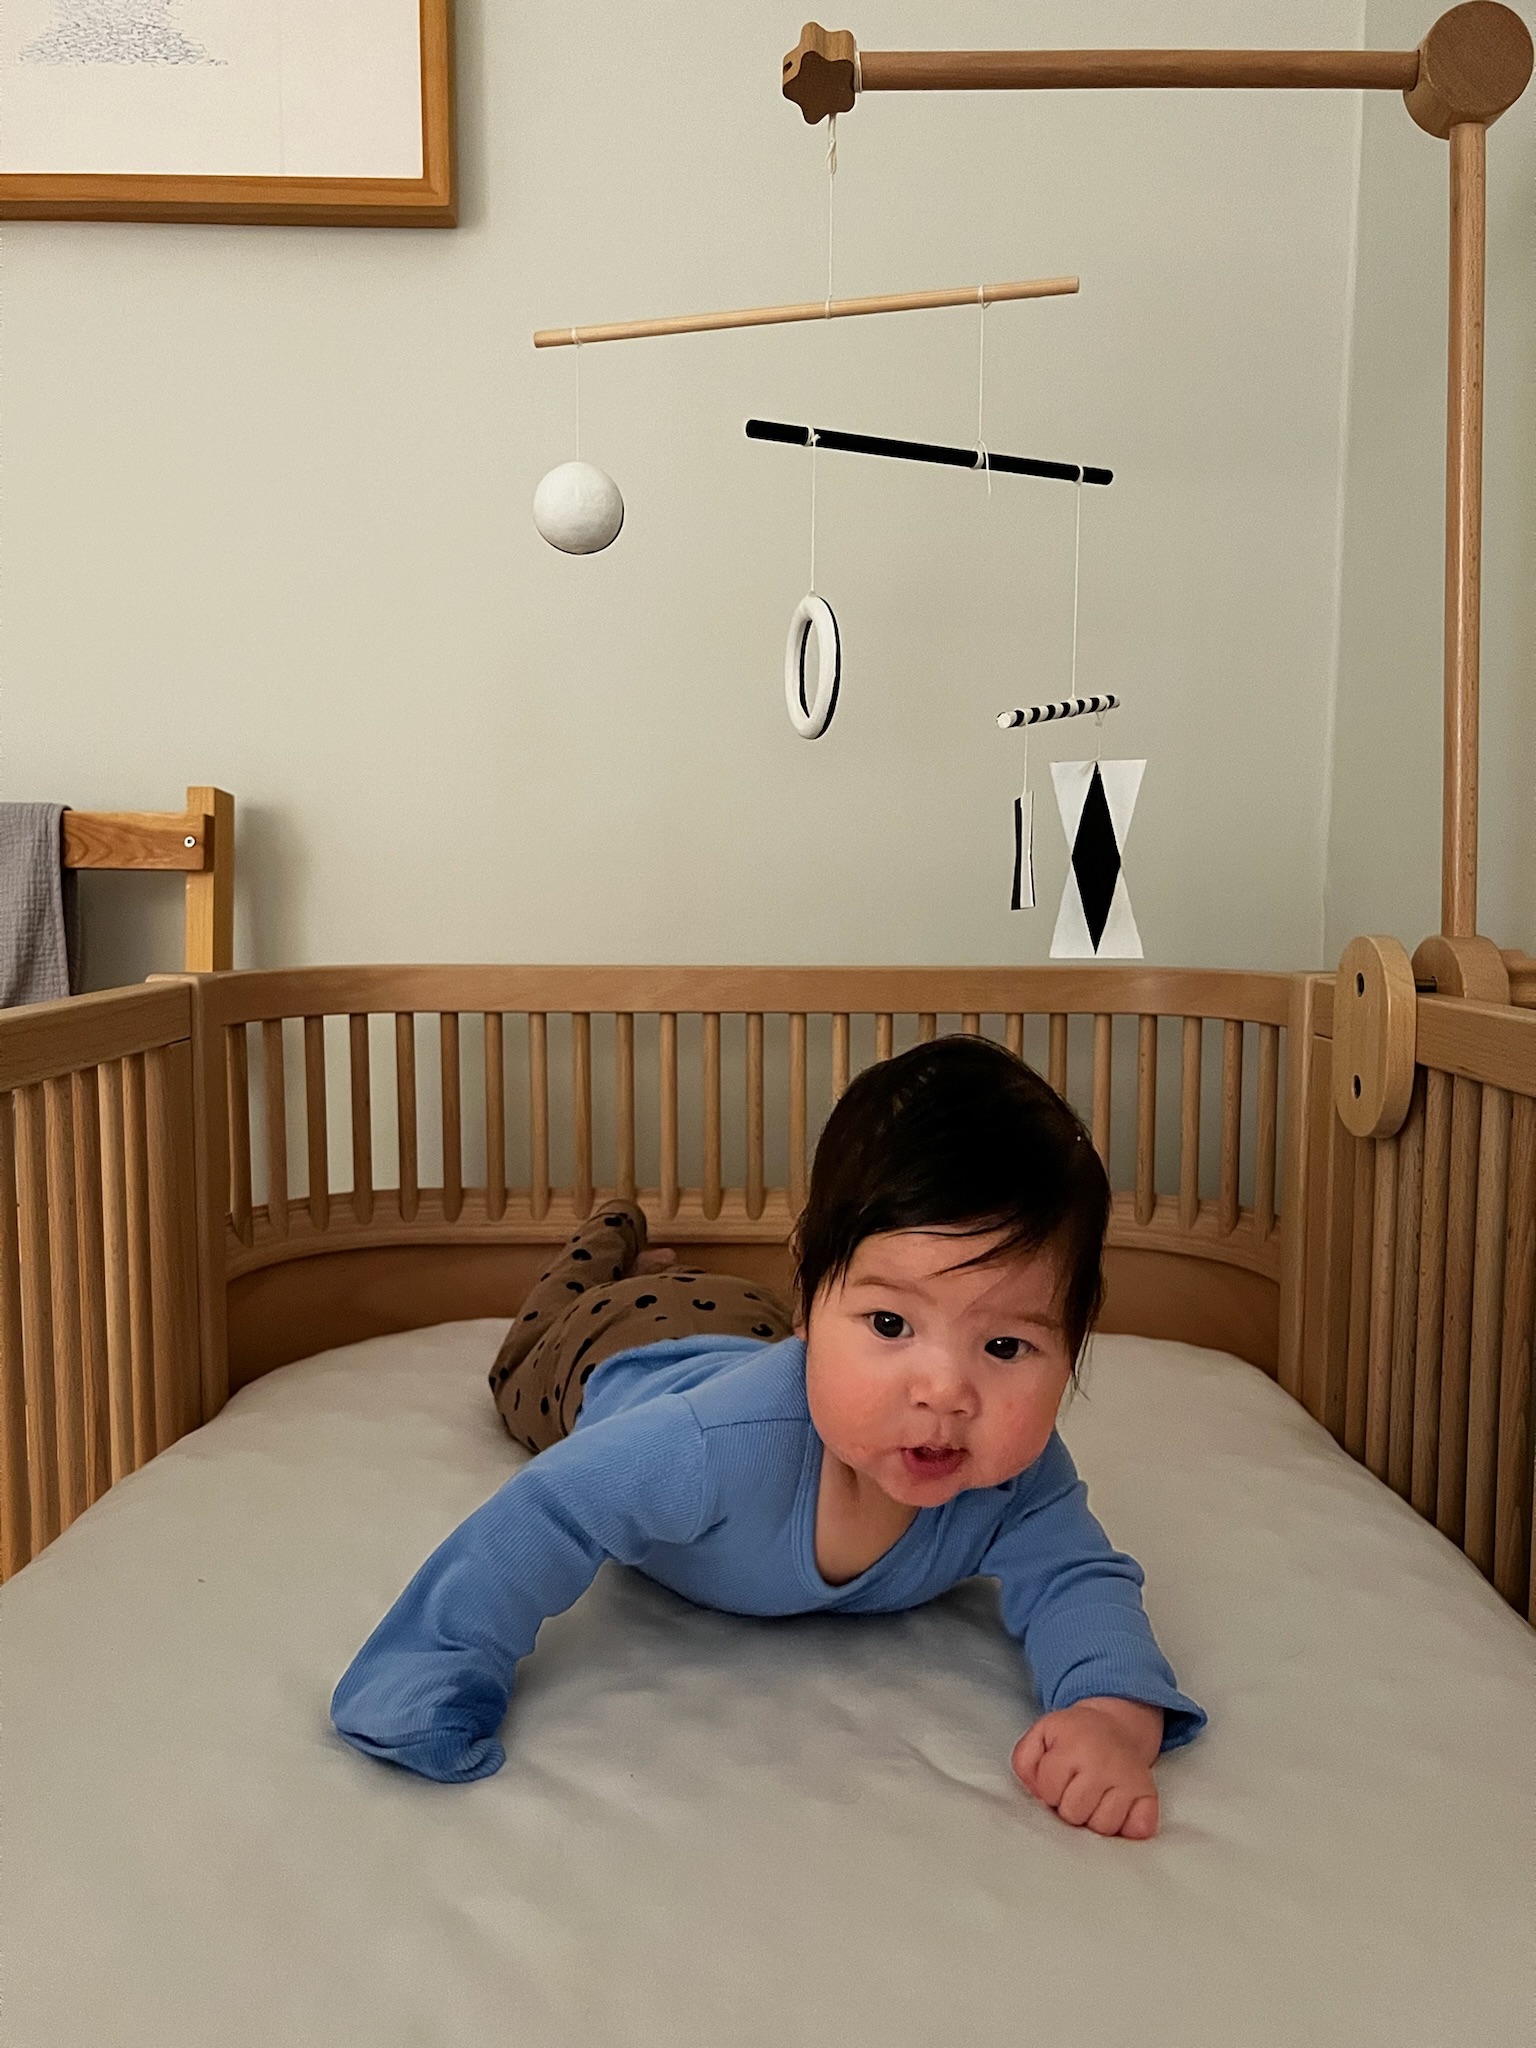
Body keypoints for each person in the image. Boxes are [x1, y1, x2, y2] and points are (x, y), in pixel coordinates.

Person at [331, 1037, 1205, 1838]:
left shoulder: (1021, 1479)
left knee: (719, 1307)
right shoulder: (713, 1447)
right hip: (612, 1349)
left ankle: (672, 1271)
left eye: (1006, 1347)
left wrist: (1109, 1712)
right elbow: (552, 1509)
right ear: (812, 1302)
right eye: (890, 1323)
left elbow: (1080, 1580)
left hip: (741, 1324)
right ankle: (604, 1240)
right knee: (527, 1351)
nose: (944, 1393)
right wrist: (433, 1670)